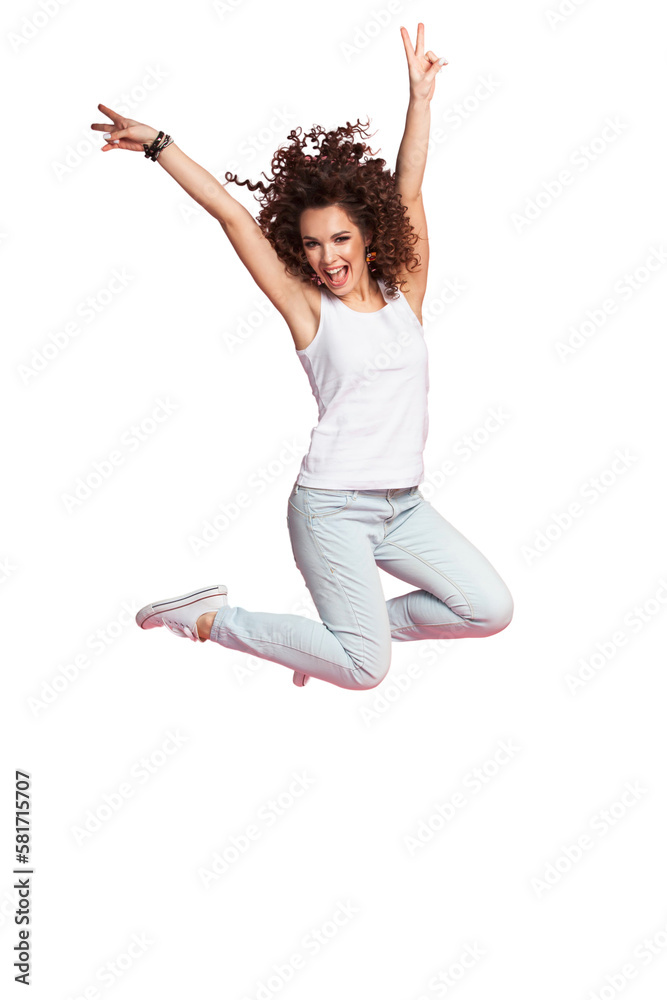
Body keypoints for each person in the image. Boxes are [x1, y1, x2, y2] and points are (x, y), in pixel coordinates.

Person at [91, 23, 513, 692]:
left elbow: (408, 189)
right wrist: (160, 146)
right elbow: (233, 216)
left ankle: (327, 641)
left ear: (368, 237)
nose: (327, 256)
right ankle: (209, 619)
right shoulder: (310, 311)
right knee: (364, 670)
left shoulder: (406, 295)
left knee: (489, 608)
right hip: (331, 508)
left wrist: (420, 100)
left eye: (340, 238)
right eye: (313, 244)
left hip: (401, 505)